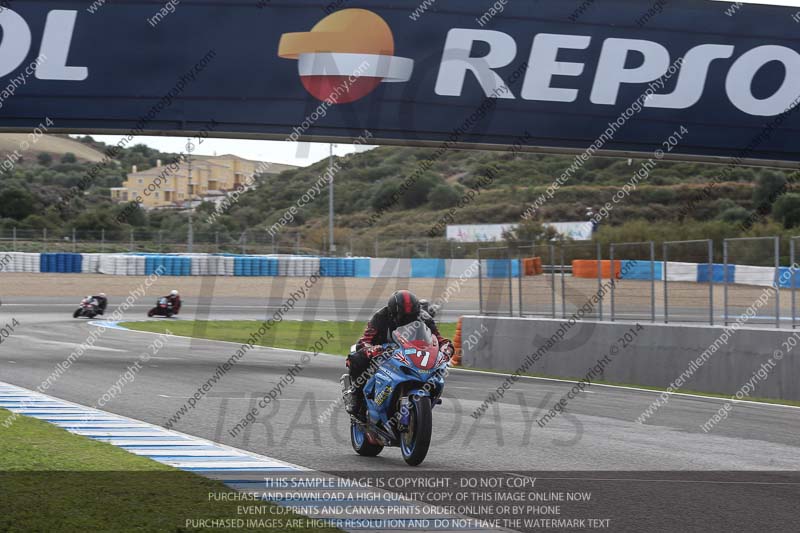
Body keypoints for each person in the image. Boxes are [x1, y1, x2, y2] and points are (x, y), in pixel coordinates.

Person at [345, 290, 453, 417]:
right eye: (404, 317)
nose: (408, 320)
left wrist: (447, 349)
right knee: (357, 357)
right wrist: (372, 349)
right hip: (382, 351)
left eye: (412, 316)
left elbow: (438, 339)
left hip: (409, 350)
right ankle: (355, 395)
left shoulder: (424, 317)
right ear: (392, 314)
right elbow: (365, 340)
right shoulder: (380, 317)